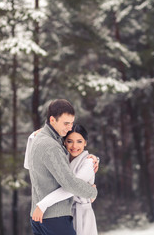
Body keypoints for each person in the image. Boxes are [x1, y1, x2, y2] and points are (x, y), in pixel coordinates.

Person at [26, 99, 97, 235]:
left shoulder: (39, 138)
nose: (69, 127)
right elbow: (70, 183)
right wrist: (92, 192)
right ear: (52, 120)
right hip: (54, 217)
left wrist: (93, 158)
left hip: (38, 217)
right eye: (66, 123)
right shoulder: (51, 146)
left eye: (71, 123)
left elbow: (27, 164)